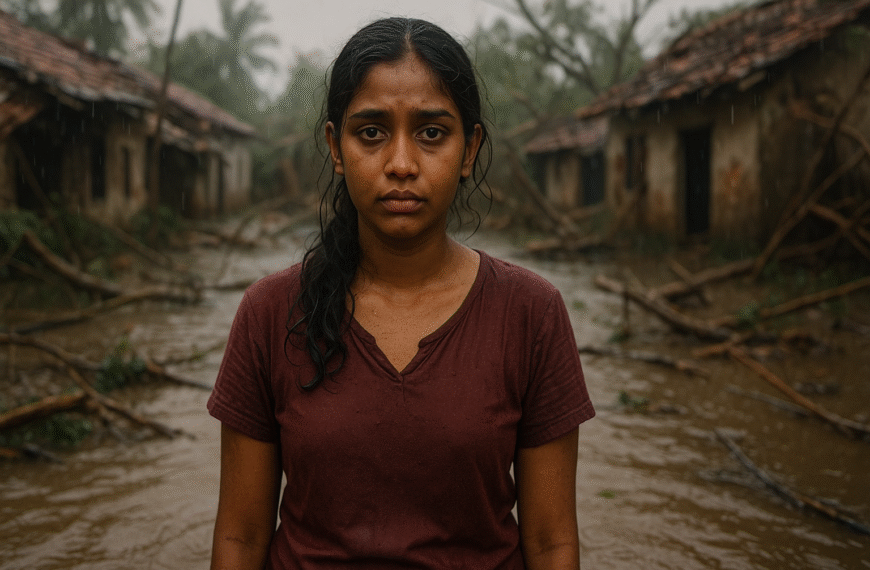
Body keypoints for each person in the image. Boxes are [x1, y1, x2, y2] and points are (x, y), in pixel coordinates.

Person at [207, 16, 595, 570]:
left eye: (432, 132)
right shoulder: (270, 314)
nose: (401, 164)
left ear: (469, 149)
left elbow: (552, 542)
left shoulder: (531, 313)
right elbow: (240, 540)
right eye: (371, 132)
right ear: (335, 147)